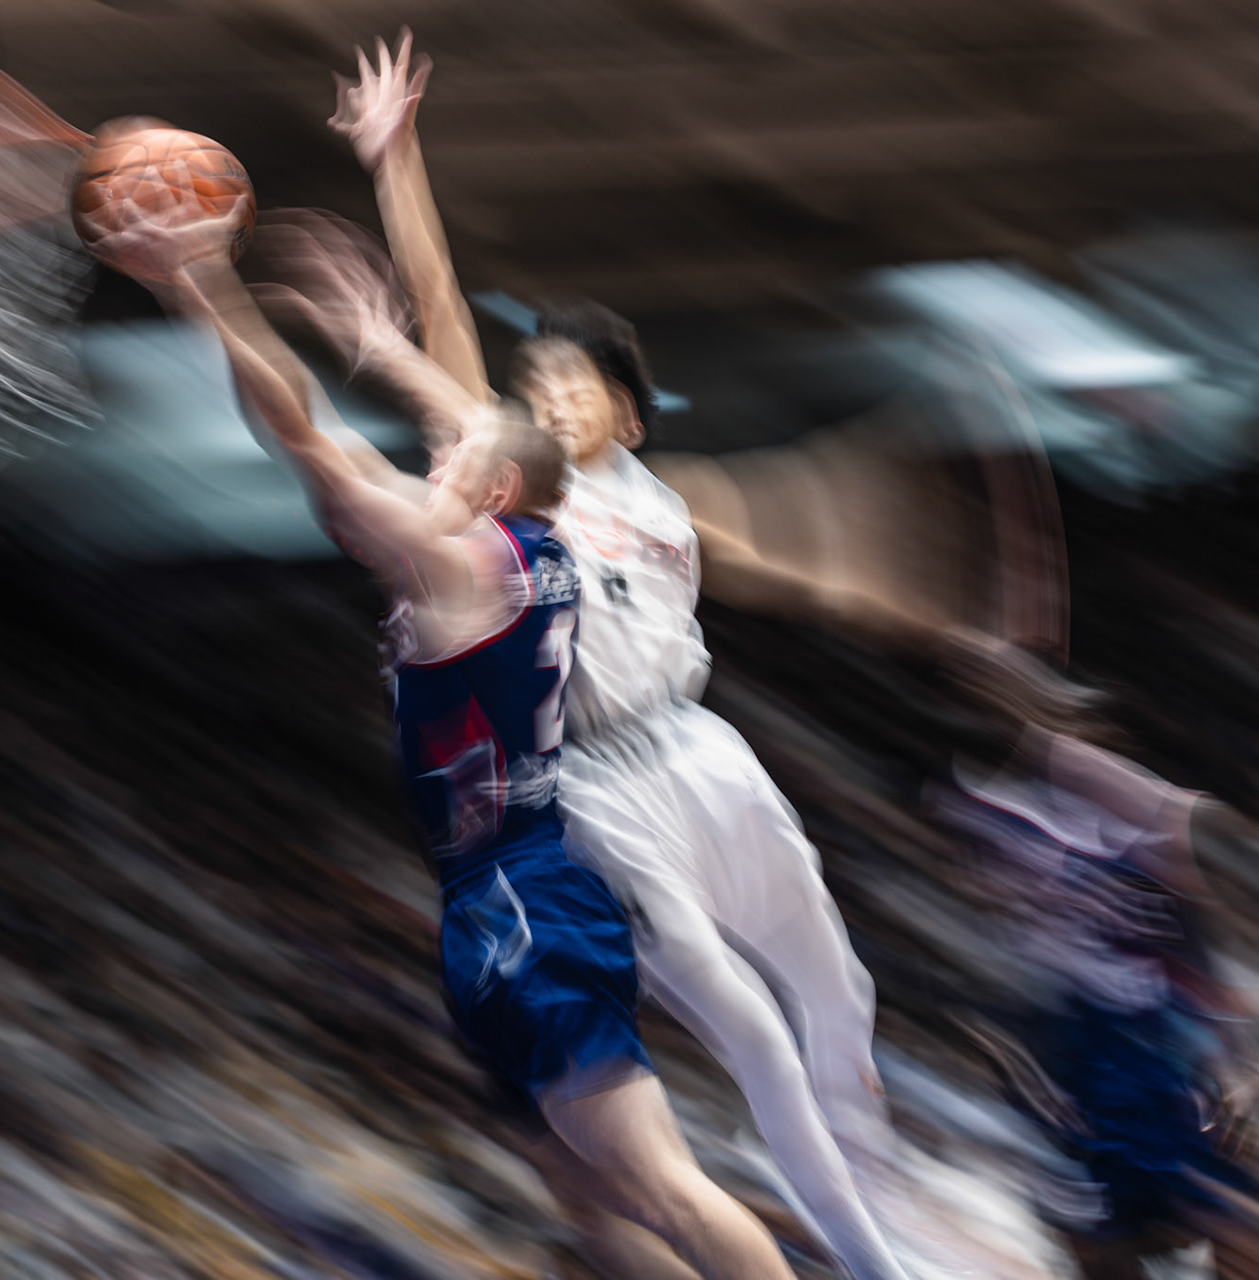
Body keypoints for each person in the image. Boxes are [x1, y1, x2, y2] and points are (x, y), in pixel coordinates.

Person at [75, 174, 795, 1280]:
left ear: (493, 479)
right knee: (587, 1203)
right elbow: (449, 411)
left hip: (524, 891)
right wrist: (387, 314)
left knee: (661, 1187)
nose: (432, 453)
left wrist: (199, 280)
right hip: (500, 890)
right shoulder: (514, 542)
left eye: (452, 453)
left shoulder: (464, 564)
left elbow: (304, 433)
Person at [315, 33, 951, 1280]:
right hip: (592, 777)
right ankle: (873, 1257)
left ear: (633, 408)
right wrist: (396, 161)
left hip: (701, 743)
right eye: (535, 376)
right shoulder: (515, 481)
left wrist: (894, 580)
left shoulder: (672, 489)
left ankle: (877, 1162)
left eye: (574, 377)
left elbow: (807, 548)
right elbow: (440, 312)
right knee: (743, 1019)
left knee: (835, 978)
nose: (546, 390)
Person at [926, 647, 1259, 1280]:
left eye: (995, 685)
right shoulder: (960, 803)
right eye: (969, 684)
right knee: (1109, 1250)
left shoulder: (1090, 780)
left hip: (1147, 1046)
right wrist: (1012, 1059)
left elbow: (1192, 914)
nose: (979, 697)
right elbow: (1001, 948)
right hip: (1070, 1053)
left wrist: (1236, 1058)